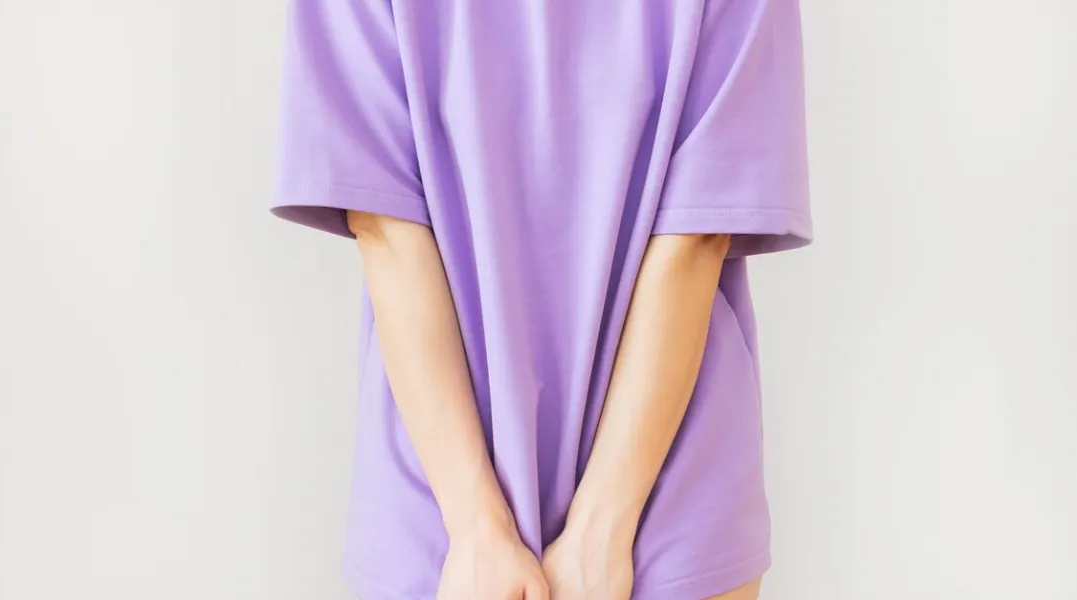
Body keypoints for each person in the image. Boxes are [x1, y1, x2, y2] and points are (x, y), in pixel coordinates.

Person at [270, 0, 812, 597]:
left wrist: (476, 526)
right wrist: (597, 530)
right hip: (656, 481)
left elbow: (388, 230)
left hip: (450, 495)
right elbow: (693, 240)